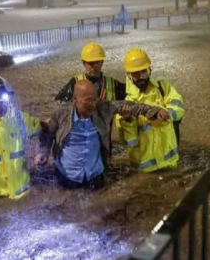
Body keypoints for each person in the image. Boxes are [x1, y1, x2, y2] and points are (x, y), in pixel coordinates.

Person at [36, 80, 169, 190]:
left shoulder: (103, 108)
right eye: (88, 100)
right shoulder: (61, 114)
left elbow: (132, 106)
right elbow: (47, 134)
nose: (93, 104)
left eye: (95, 99)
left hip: (95, 177)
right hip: (67, 177)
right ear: (75, 99)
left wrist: (154, 111)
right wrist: (43, 153)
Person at [116, 48, 185, 172]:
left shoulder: (164, 88)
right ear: (129, 76)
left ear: (150, 70)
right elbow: (129, 143)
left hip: (170, 163)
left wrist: (166, 113)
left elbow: (179, 108)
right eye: (136, 73)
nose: (141, 76)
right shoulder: (126, 104)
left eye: (143, 71)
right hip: (144, 172)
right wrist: (127, 120)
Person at [55, 43, 126, 103]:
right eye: (91, 63)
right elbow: (60, 102)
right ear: (84, 63)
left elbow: (130, 95)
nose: (94, 66)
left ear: (102, 62)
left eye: (97, 62)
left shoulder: (113, 84)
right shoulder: (75, 83)